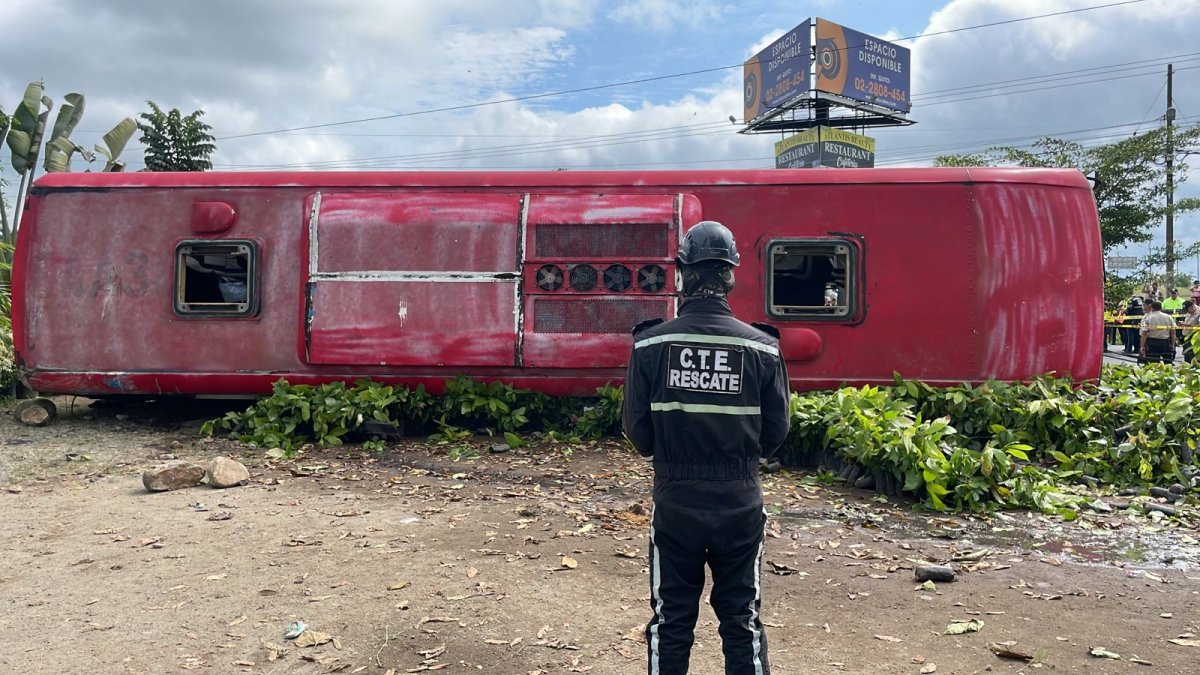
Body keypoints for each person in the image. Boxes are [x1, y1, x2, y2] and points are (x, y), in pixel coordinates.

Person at [622, 220, 790, 675]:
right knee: (743, 620)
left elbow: (637, 431)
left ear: (682, 273)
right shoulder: (763, 349)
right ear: (730, 275)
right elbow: (776, 432)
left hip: (675, 501)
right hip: (740, 500)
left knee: (671, 619)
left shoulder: (652, 344)